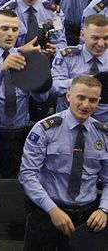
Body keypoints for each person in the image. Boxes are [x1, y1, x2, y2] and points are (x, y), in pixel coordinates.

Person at [20, 75, 108, 250]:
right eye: (81, 97)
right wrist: (52, 210)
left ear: (98, 101)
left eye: (92, 100)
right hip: (46, 214)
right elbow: (27, 175)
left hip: (86, 219)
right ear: (68, 96)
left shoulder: (103, 134)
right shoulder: (44, 129)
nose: (86, 105)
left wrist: (104, 209)